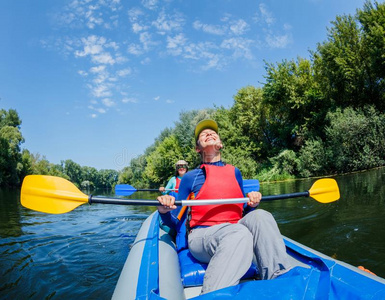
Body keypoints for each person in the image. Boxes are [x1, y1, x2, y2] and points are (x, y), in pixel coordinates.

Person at [157, 119, 291, 294]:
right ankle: (212, 295)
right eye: (203, 134)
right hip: (202, 236)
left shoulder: (235, 172)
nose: (209, 133)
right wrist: (164, 210)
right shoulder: (191, 177)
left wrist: (252, 204)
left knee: (262, 216)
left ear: (220, 143)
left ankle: (280, 286)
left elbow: (242, 211)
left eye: (213, 133)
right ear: (198, 148)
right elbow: (176, 220)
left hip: (235, 229)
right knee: (238, 233)